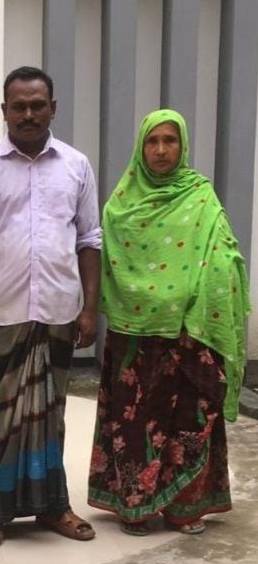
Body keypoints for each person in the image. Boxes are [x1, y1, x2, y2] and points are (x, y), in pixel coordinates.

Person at [0, 66, 101, 548]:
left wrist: (89, 309)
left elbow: (89, 240)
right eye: (18, 106)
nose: (28, 114)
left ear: (52, 108)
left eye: (38, 105)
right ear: (5, 111)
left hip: (59, 310)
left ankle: (53, 505)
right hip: (0, 313)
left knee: (50, 415)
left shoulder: (76, 165)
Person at [88, 109, 250, 536]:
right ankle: (135, 506)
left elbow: (223, 256)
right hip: (134, 335)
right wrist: (151, 297)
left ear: (183, 146)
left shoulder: (201, 197)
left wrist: (196, 303)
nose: (161, 150)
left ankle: (185, 506)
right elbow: (113, 266)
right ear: (140, 149)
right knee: (136, 421)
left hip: (188, 332)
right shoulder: (120, 206)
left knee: (189, 419)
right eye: (152, 141)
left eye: (170, 141)